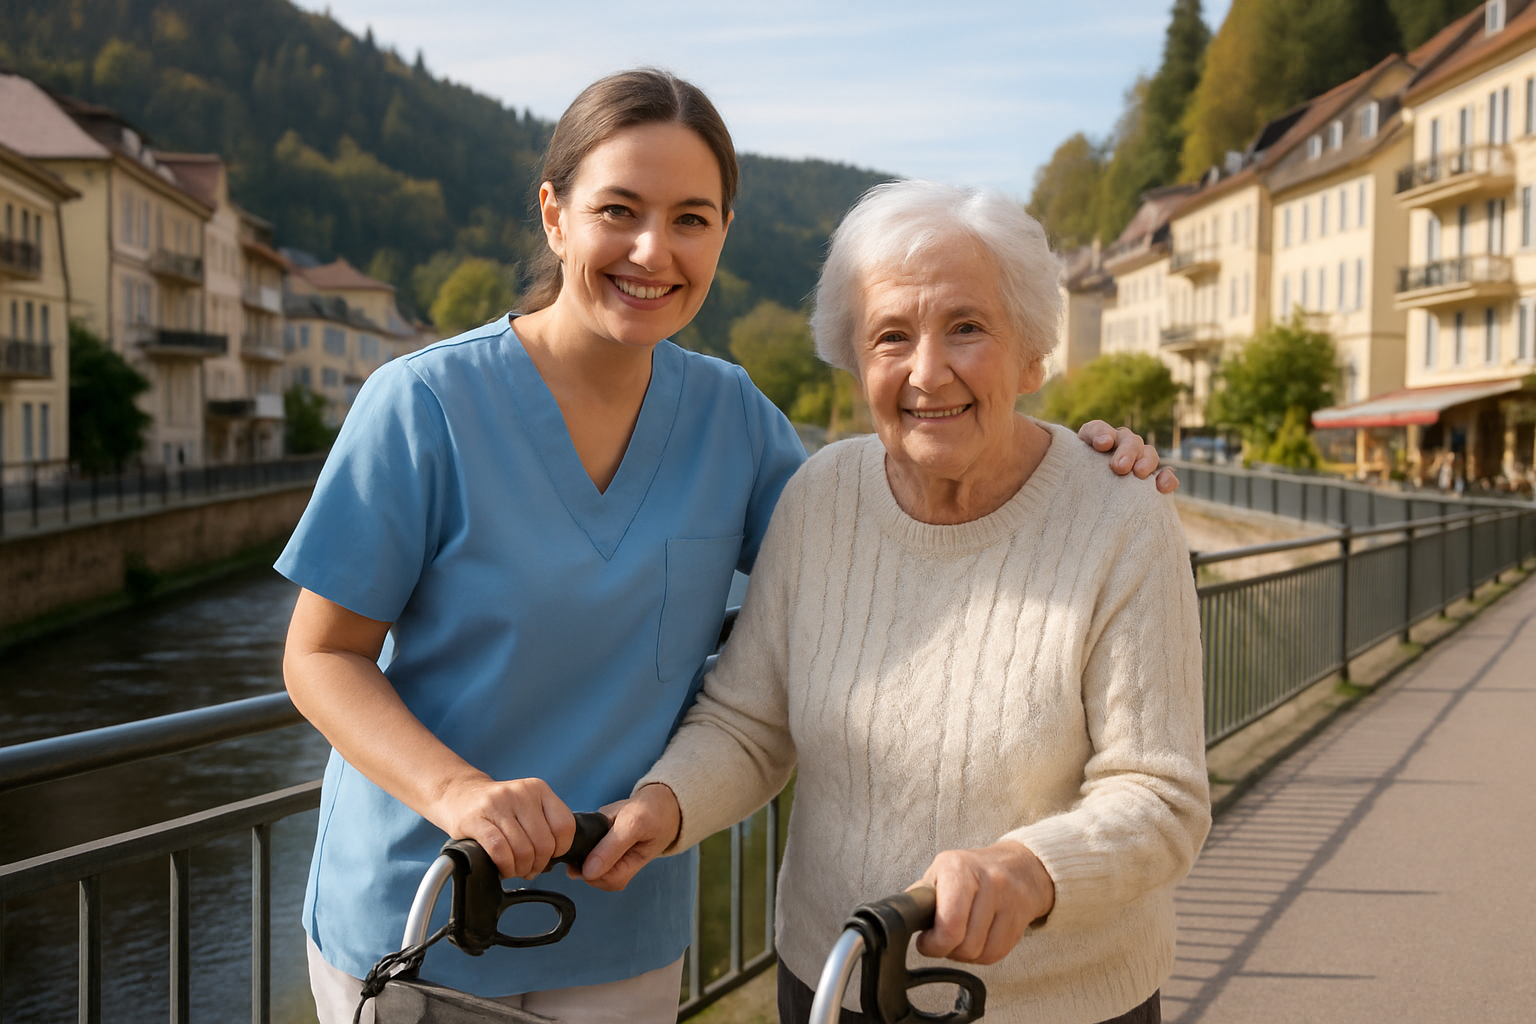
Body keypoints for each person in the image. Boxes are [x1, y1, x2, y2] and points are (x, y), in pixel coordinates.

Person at [279, 72, 1176, 1024]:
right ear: (554, 216)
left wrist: (1082, 463)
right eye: (617, 210)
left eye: (691, 219)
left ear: (722, 234)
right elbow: (320, 655)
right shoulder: (421, 407)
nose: (651, 250)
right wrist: (460, 793)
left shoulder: (734, 420)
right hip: (430, 898)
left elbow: (892, 537)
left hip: (621, 896)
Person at [587, 180, 1211, 1024]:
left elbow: (1160, 797)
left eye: (966, 327)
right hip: (836, 980)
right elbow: (748, 722)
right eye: (890, 336)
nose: (926, 371)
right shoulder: (819, 499)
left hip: (1059, 1005)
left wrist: (1027, 872)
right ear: (855, 361)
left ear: (1031, 353)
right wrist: (663, 803)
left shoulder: (1122, 515)